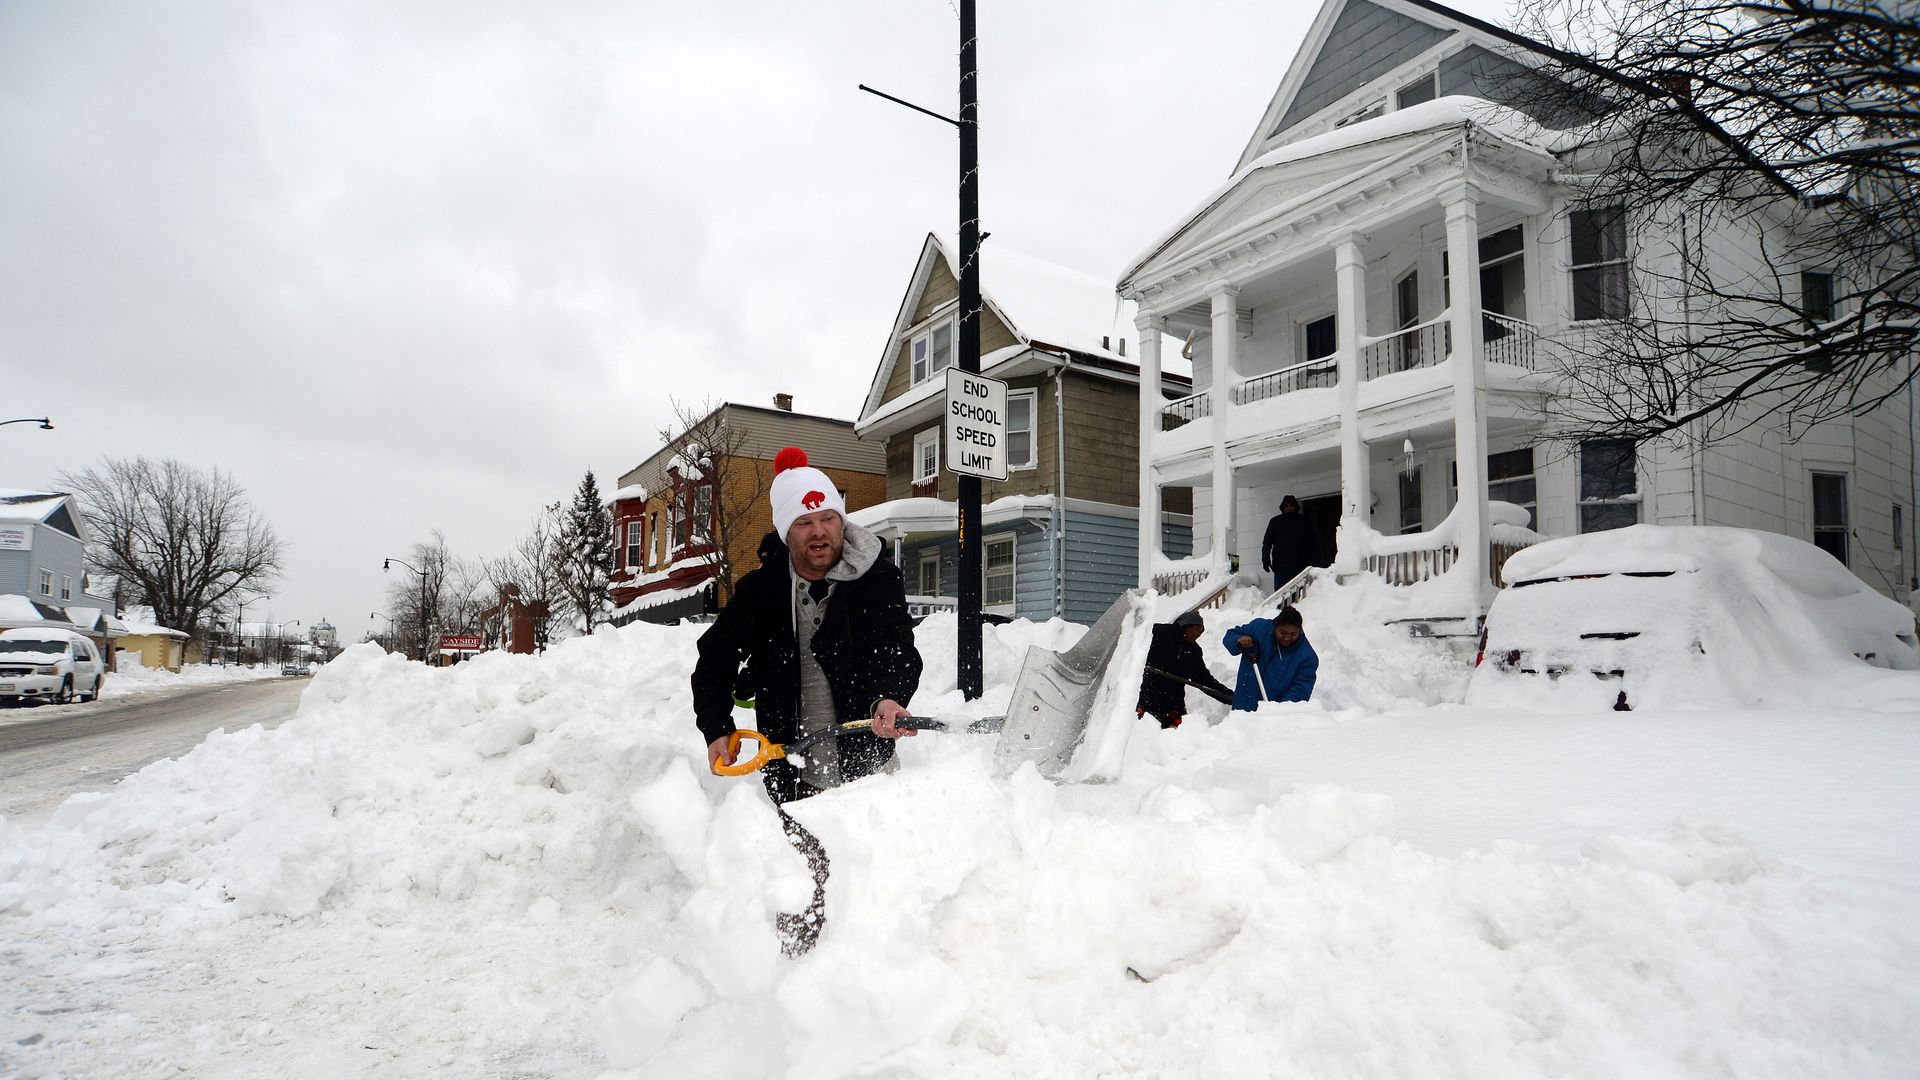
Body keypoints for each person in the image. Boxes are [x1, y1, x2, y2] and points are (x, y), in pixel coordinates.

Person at [690, 445, 923, 954]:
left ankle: (874, 969)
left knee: (871, 878)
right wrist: (717, 728)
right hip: (790, 763)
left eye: (827, 518)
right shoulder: (760, 592)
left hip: (866, 754)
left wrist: (890, 697)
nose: (819, 532)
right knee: (800, 878)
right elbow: (714, 659)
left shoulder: (878, 578)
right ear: (784, 531)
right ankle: (797, 975)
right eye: (803, 522)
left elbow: (900, 651)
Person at [1136, 610, 1233, 728]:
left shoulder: (1194, 652)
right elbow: (1135, 642)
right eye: (1197, 629)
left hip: (1172, 706)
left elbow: (1205, 680)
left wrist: (1231, 697)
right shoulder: (1159, 633)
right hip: (1146, 700)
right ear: (1185, 625)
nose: (1199, 634)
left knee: (1176, 741)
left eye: (1201, 631)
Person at [1223, 606, 1318, 708]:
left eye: (1293, 634)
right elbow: (1230, 636)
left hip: (1272, 717)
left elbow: (1300, 691)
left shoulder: (1307, 657)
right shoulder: (1259, 628)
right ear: (1275, 625)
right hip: (1242, 706)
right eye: (1283, 633)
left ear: (1300, 631)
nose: (1287, 638)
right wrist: (1238, 640)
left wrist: (1278, 711)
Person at [1261, 494, 1321, 593]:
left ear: (1295, 507)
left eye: (1291, 505)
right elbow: (1267, 542)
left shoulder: (1304, 522)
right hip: (1281, 567)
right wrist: (1265, 558)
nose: (1289, 508)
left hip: (1300, 567)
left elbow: (1313, 544)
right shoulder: (1275, 522)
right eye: (1286, 506)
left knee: (1300, 595)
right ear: (1283, 507)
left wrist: (1314, 562)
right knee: (1280, 595)